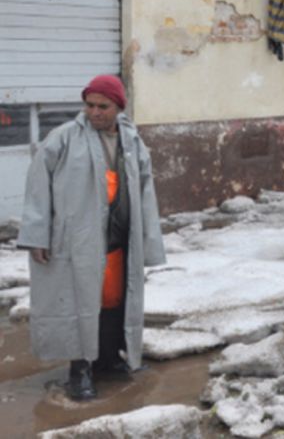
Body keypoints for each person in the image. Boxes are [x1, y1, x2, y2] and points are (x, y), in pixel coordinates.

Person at [17, 75, 165, 401]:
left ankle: (109, 358)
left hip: (118, 240)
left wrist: (149, 241)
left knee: (113, 300)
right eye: (89, 105)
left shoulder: (132, 140)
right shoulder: (63, 138)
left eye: (103, 106)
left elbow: (145, 192)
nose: (94, 112)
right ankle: (80, 370)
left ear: (118, 107)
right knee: (79, 303)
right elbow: (38, 189)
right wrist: (37, 236)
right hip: (76, 242)